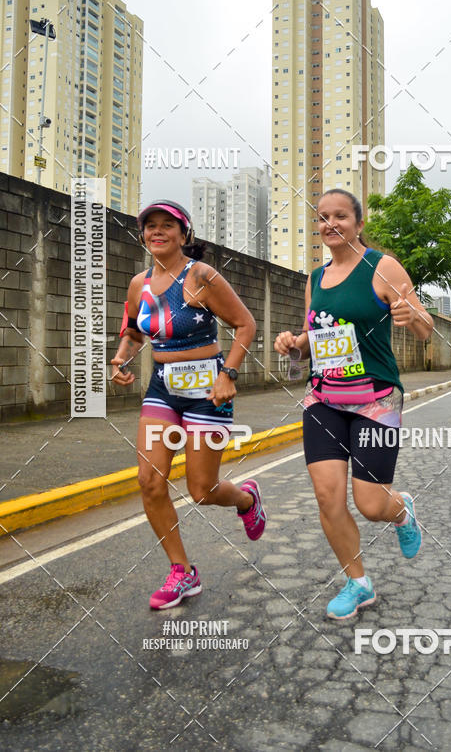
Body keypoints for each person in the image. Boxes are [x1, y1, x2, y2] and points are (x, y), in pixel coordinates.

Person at [274, 189, 433, 620]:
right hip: (324, 398)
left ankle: (402, 511)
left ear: (358, 224)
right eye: (323, 217)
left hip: (375, 399)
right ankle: (357, 582)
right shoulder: (314, 278)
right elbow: (314, 339)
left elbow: (424, 328)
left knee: (369, 503)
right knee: (328, 497)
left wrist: (411, 316)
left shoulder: (382, 267)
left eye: (340, 216)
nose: (330, 224)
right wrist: (293, 343)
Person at [111, 200, 265, 610]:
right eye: (150, 226)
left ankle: (247, 499)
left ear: (184, 234)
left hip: (206, 391)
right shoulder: (138, 284)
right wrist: (121, 358)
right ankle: (182, 571)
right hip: (162, 388)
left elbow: (245, 324)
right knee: (149, 481)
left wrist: (227, 374)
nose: (157, 232)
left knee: (202, 490)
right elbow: (132, 331)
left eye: (167, 226)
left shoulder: (200, 276)